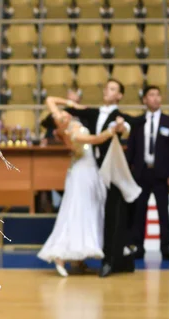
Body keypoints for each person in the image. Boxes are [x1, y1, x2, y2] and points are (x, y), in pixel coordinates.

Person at [37, 97, 118, 276]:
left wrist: (72, 104)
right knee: (76, 211)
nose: (65, 114)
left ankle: (78, 259)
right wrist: (111, 131)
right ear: (59, 124)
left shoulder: (68, 121)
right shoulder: (71, 133)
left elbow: (50, 100)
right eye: (61, 116)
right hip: (81, 175)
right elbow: (95, 139)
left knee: (88, 211)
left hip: (89, 172)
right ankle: (60, 256)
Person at [64, 79, 136, 277]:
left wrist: (123, 128)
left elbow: (128, 126)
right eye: (106, 87)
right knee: (94, 214)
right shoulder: (94, 112)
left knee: (113, 216)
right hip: (91, 172)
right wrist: (70, 102)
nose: (107, 90)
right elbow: (73, 111)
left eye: (113, 88)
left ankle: (110, 261)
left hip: (110, 173)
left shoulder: (120, 116)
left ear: (120, 95)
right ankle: (87, 255)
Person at [127, 86, 169, 261]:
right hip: (141, 173)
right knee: (138, 212)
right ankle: (138, 247)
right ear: (144, 100)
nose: (156, 98)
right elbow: (131, 149)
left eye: (158, 95)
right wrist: (130, 171)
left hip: (162, 174)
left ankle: (165, 248)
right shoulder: (138, 122)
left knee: (162, 212)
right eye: (151, 95)